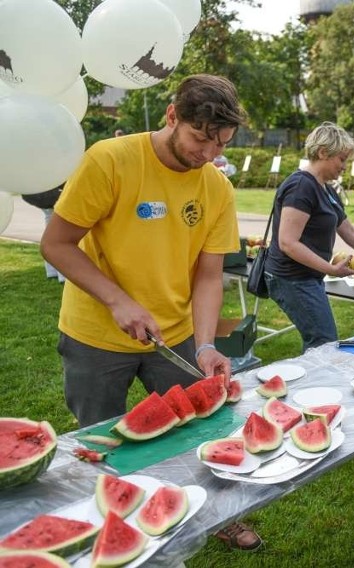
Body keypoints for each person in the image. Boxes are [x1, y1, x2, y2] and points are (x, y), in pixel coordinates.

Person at [40, 74, 262, 551]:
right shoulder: (111, 160)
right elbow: (56, 244)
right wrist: (118, 300)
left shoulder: (216, 186)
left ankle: (216, 512)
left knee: (200, 431)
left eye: (220, 143)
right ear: (172, 116)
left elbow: (208, 274)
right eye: (200, 138)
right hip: (94, 335)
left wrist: (205, 343)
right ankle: (106, 528)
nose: (207, 153)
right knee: (99, 444)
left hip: (176, 334)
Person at [264, 122, 354, 352]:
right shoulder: (301, 187)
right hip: (291, 278)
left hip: (308, 277)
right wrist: (330, 270)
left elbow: (349, 231)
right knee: (324, 343)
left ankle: (313, 385)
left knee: (321, 342)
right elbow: (288, 243)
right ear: (322, 152)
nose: (344, 167)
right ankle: (314, 387)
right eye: (341, 159)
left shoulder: (326, 189)